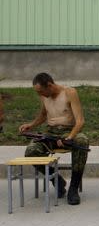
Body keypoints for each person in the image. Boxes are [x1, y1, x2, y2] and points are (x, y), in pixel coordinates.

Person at [19, 72, 89, 205]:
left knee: (82, 141)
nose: (40, 94)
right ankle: (56, 180)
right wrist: (31, 125)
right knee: (31, 152)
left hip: (68, 130)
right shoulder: (44, 96)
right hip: (50, 132)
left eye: (41, 91)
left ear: (49, 85)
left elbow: (80, 121)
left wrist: (69, 137)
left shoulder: (69, 92)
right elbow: (43, 115)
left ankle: (73, 188)